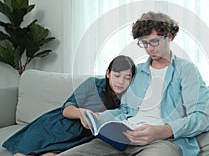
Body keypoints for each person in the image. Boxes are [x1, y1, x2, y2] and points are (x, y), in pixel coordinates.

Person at [58, 11, 209, 156]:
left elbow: (202, 118)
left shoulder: (186, 70)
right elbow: (125, 110)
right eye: (144, 43)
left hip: (163, 141)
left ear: (169, 36)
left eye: (154, 41)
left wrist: (161, 131)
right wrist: (98, 118)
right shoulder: (136, 72)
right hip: (122, 138)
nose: (149, 48)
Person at [2, 55, 136, 156]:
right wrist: (82, 113)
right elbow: (66, 109)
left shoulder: (128, 100)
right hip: (56, 126)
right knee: (22, 154)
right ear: (108, 73)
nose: (121, 82)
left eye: (127, 77)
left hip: (78, 138)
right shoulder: (93, 84)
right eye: (117, 75)